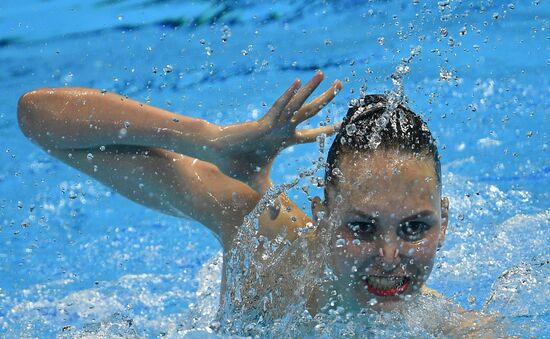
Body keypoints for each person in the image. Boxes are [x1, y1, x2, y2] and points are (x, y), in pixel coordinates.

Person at [17, 71, 499, 335]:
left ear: (445, 221)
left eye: (415, 228)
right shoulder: (267, 238)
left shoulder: (455, 331)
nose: (390, 258)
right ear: (322, 214)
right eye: (363, 228)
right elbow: (38, 114)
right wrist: (211, 141)